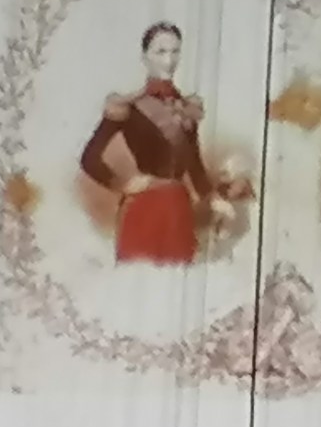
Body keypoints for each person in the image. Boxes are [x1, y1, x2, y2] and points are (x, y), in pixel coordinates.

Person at [80, 21, 235, 265]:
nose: (168, 60)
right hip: (144, 209)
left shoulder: (187, 108)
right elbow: (90, 158)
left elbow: (194, 167)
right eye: (160, 52)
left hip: (178, 211)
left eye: (175, 51)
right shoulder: (129, 107)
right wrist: (123, 183)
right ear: (145, 57)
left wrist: (215, 199)